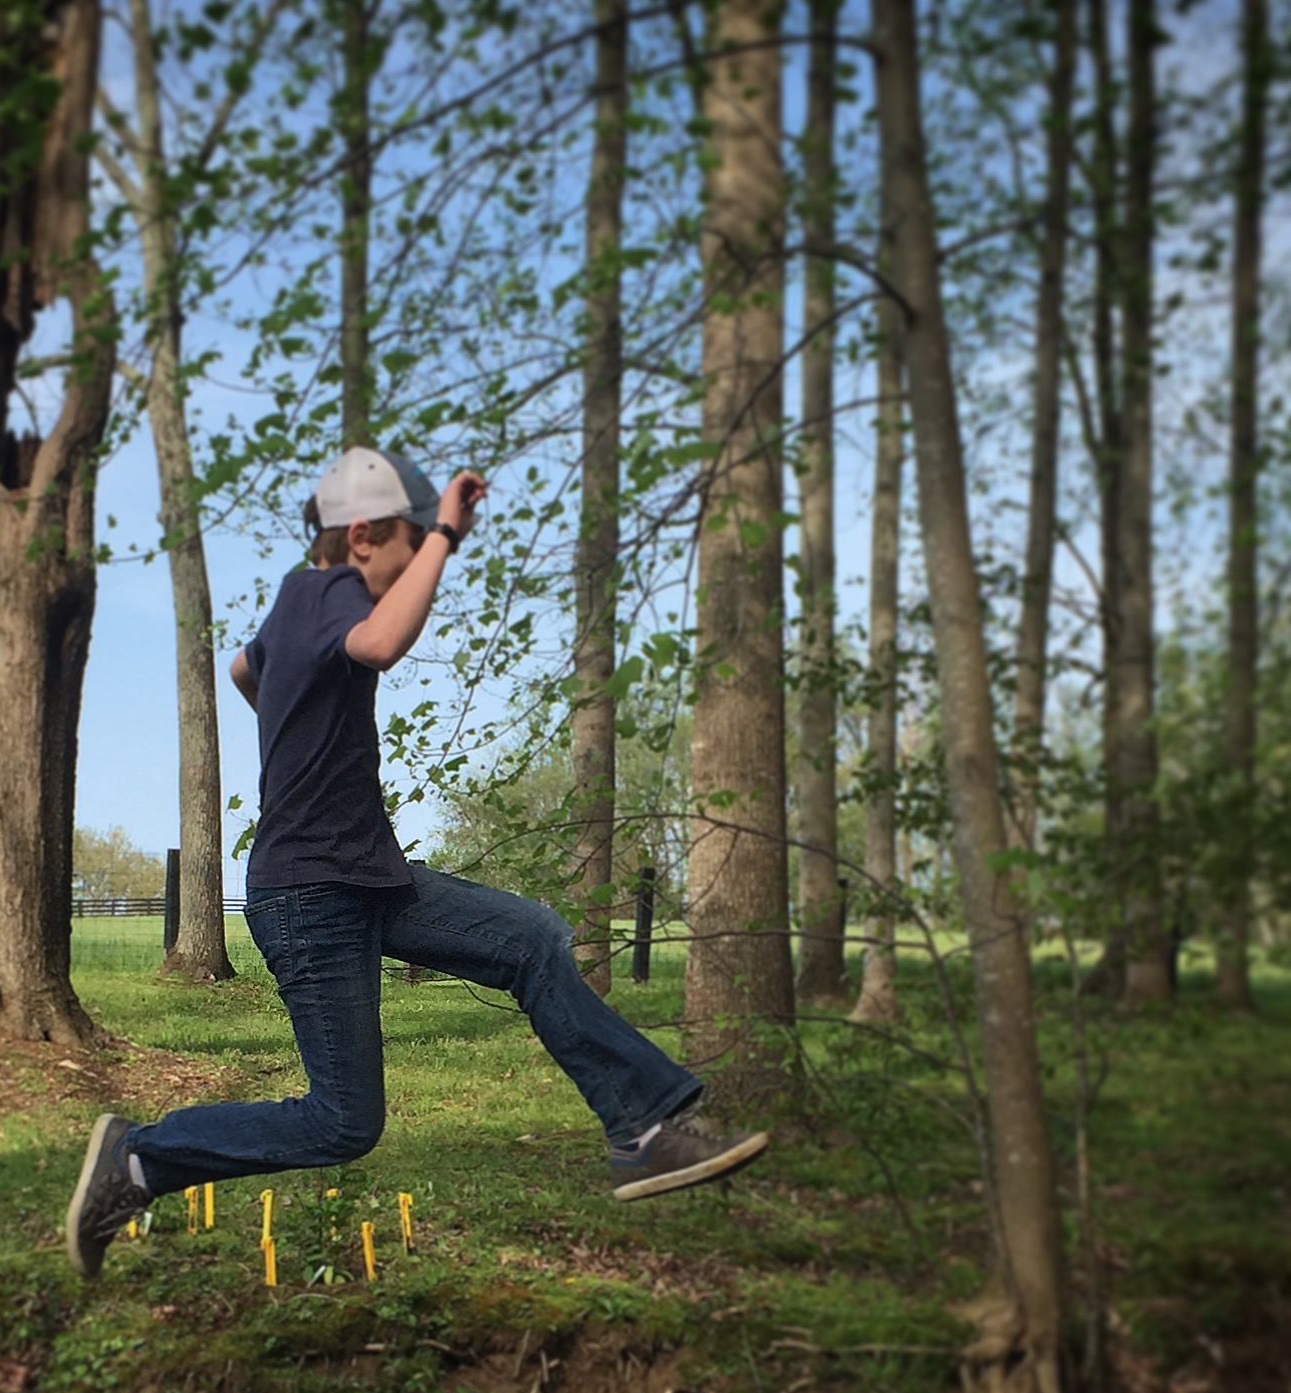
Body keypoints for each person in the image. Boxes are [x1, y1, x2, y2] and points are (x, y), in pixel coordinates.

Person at [65, 446, 768, 1278]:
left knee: (531, 938)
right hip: (311, 895)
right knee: (342, 1123)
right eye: (403, 552)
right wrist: (446, 535)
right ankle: (140, 1161)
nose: (411, 572)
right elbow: (381, 643)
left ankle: (643, 1129)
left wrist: (296, 714)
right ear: (362, 536)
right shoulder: (329, 592)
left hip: (363, 878)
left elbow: (245, 669)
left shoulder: (296, 603)